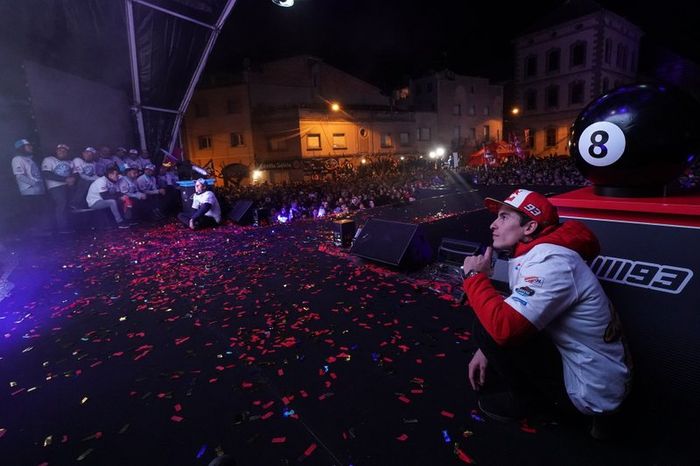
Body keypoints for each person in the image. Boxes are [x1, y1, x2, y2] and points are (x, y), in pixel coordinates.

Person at [461, 189, 631, 438]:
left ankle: (532, 402)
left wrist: (475, 277)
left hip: (591, 391)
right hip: (580, 365)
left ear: (529, 227)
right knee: (490, 325)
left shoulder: (552, 261)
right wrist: (484, 349)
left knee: (489, 325)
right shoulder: (537, 253)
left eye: (504, 217)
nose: (493, 224)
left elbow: (504, 328)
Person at [41, 143, 77, 233]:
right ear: (56, 151)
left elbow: (76, 173)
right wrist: (65, 179)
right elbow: (46, 174)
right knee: (62, 204)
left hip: (68, 186)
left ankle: (69, 226)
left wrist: (73, 178)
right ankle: (63, 228)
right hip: (55, 186)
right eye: (60, 150)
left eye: (64, 151)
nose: (62, 152)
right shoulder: (49, 160)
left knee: (69, 205)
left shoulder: (70, 162)